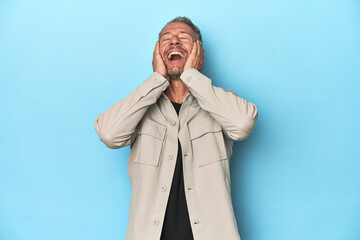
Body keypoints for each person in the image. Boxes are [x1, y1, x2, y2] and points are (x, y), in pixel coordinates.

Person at [94, 16, 258, 240]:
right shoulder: (140, 106)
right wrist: (156, 79)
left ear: (197, 51)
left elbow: (242, 125)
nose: (174, 42)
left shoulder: (218, 102)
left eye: (183, 38)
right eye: (166, 39)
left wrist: (192, 76)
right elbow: (109, 134)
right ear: (157, 52)